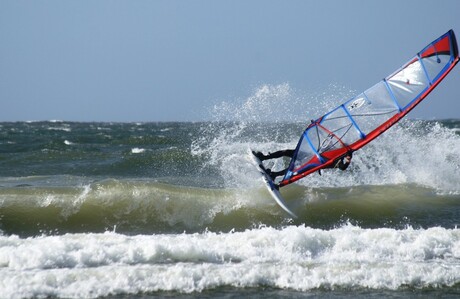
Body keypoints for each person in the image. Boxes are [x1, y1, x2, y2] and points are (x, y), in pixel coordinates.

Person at [252, 149, 352, 180]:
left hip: (311, 164)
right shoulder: (335, 150)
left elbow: (343, 168)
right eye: (347, 155)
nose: (346, 156)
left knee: (294, 169)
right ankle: (264, 157)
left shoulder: (338, 162)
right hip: (308, 155)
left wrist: (348, 161)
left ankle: (274, 175)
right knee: (286, 152)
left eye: (347, 156)